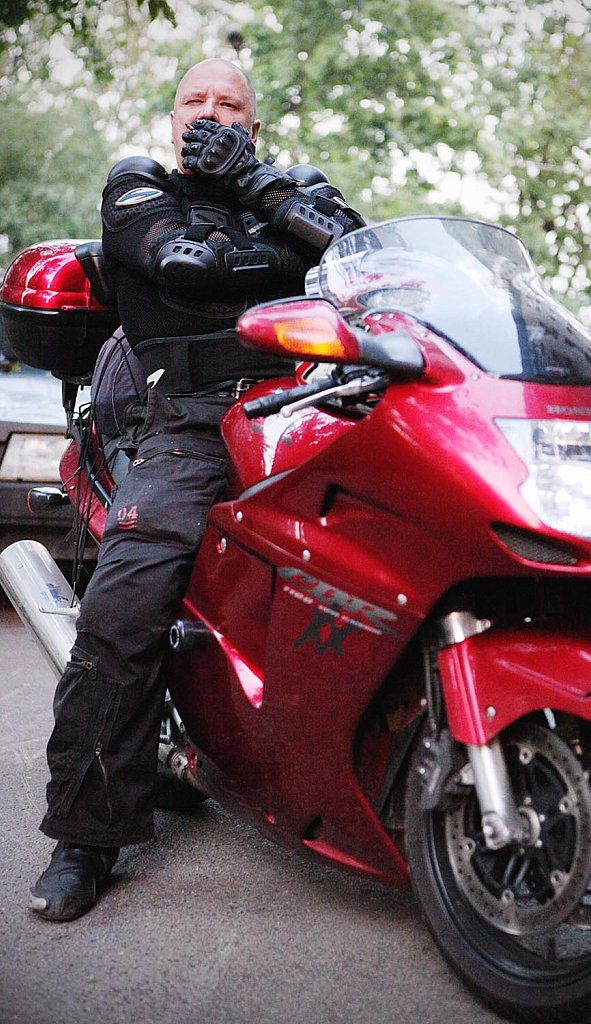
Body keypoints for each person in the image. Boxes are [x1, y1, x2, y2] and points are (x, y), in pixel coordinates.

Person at [29, 58, 364, 921]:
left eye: (229, 104)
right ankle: (85, 838)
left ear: (255, 124)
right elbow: (180, 265)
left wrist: (257, 187)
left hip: (305, 407)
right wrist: (278, 247)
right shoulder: (138, 185)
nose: (210, 114)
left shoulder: (290, 183)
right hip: (187, 423)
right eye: (195, 101)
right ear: (172, 116)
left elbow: (355, 253)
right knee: (125, 602)